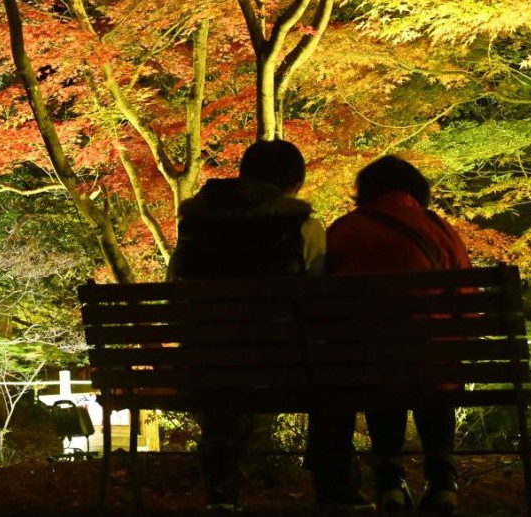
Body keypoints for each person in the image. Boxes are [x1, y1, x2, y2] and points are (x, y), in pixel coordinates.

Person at [169, 139, 327, 512]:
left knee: (225, 370)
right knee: (336, 372)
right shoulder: (303, 227)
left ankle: (222, 492)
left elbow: (175, 286)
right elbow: (321, 299)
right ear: (295, 184)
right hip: (283, 367)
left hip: (205, 364)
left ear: (243, 176)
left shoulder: (194, 226)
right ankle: (336, 486)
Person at [308, 155, 471, 514]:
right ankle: (443, 480)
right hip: (434, 365)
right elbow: (468, 306)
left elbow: (326, 305)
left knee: (379, 368)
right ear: (416, 191)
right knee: (432, 364)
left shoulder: (344, 230)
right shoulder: (440, 230)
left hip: (368, 366)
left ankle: (389, 480)